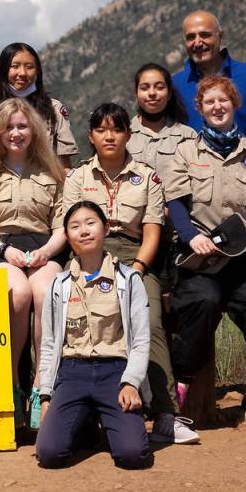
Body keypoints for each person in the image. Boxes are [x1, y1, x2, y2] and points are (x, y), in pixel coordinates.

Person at [164, 75, 246, 435]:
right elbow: (175, 201)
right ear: (200, 109)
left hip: (242, 259)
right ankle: (179, 387)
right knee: (201, 304)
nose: (217, 107)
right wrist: (191, 237)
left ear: (234, 104)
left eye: (223, 101)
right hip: (200, 257)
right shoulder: (186, 153)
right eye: (209, 102)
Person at [60, 103, 199, 444]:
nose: (110, 136)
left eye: (117, 129)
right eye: (102, 130)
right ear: (91, 137)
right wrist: (86, 264)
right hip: (88, 254)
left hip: (135, 256)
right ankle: (75, 409)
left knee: (148, 321)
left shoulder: (147, 176)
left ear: (128, 134)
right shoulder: (77, 177)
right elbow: (72, 229)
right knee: (68, 315)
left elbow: (152, 231)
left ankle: (166, 414)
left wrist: (136, 270)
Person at [35, 201, 152, 470]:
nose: (84, 231)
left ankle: (106, 417)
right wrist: (45, 396)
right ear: (67, 236)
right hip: (72, 372)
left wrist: (131, 383)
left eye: (91, 223)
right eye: (75, 226)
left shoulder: (129, 279)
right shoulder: (59, 284)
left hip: (116, 373)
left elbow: (141, 339)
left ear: (106, 228)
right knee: (50, 454)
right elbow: (50, 343)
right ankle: (85, 417)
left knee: (132, 455)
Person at [0, 98, 66, 427]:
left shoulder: (51, 170)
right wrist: (2, 251)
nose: (16, 133)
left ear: (34, 130)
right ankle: (12, 382)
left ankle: (42, 389)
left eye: (22, 126)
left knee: (47, 293)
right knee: (17, 294)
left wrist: (47, 251)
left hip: (44, 248)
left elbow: (61, 226)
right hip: (0, 249)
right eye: (9, 127)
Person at [172, 10, 246, 172]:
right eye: (190, 37)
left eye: (205, 35)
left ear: (220, 36)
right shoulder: (174, 85)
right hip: (196, 189)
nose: (197, 42)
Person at [0, 43, 77, 169]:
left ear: (37, 71)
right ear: (4, 70)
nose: (22, 73)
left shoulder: (53, 108)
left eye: (29, 67)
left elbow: (64, 165)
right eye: (15, 66)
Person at [127, 62, 197, 181]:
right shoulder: (123, 135)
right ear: (136, 93)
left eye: (160, 87)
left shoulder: (187, 136)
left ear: (169, 94)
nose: (152, 93)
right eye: (144, 88)